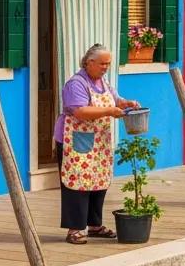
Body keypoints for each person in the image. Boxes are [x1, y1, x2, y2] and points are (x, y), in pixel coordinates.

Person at [55, 44, 139, 245]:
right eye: (102, 63)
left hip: (99, 141)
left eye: (108, 64)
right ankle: (74, 229)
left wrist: (125, 104)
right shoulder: (76, 83)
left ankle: (94, 225)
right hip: (76, 140)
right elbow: (80, 111)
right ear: (89, 62)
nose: (105, 67)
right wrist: (110, 111)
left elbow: (115, 100)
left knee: (98, 182)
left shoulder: (103, 82)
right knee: (76, 183)